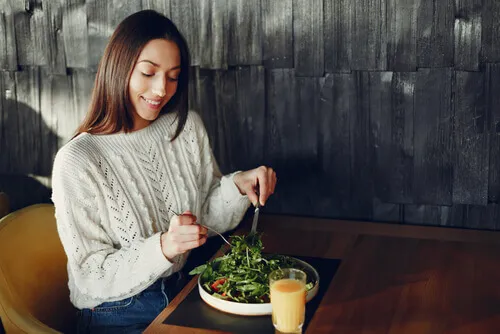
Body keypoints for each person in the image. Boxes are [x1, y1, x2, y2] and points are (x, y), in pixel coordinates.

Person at [51, 10, 277, 333]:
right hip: (115, 313)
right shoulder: (77, 161)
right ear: (119, 68)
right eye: (148, 72)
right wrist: (163, 247)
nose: (161, 89)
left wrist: (238, 187)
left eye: (173, 77)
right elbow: (91, 275)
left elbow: (204, 219)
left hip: (183, 287)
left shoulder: (185, 128)